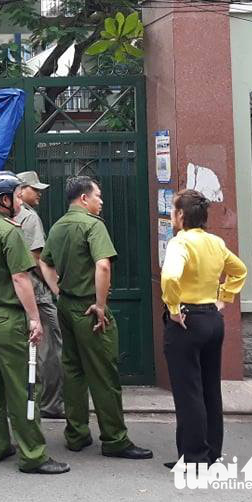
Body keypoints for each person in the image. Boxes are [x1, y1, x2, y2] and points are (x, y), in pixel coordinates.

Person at [39, 176, 152, 460]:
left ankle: (76, 435)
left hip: (66, 305)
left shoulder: (58, 226)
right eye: (98, 196)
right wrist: (100, 305)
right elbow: (102, 266)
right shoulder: (92, 225)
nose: (101, 202)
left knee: (73, 371)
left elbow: (44, 260)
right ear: (84, 199)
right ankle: (115, 439)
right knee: (104, 374)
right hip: (89, 308)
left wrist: (57, 289)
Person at [0, 171, 69, 474]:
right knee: (24, 387)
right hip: (7, 317)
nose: (20, 204)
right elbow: (20, 277)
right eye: (15, 196)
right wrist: (34, 318)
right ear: (4, 199)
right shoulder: (9, 232)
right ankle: (33, 455)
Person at [161, 189, 248, 469]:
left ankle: (194, 458)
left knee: (188, 392)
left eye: (173, 211)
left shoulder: (180, 243)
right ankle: (210, 454)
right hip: (212, 318)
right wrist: (224, 297)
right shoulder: (216, 242)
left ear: (181, 215)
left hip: (187, 321)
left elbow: (171, 277)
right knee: (210, 389)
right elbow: (240, 270)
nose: (171, 216)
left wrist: (173, 309)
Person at [14, 171, 64, 419]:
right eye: (35, 189)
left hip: (14, 294)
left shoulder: (4, 216)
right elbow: (37, 258)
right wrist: (54, 287)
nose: (40, 193)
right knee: (50, 347)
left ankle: (26, 400)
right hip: (36, 292)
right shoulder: (29, 218)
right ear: (20, 191)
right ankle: (51, 403)